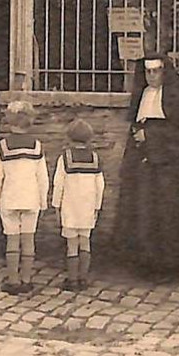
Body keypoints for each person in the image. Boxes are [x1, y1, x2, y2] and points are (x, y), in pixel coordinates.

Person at [114, 55, 179, 276]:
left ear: (165, 72)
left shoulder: (175, 96)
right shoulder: (143, 95)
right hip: (144, 166)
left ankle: (171, 265)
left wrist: (151, 136)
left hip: (169, 168)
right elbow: (135, 128)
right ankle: (145, 262)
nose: (152, 77)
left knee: (167, 213)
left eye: (156, 71)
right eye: (148, 72)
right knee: (143, 212)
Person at [0, 100, 49, 296]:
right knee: (29, 239)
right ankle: (27, 279)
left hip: (10, 198)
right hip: (31, 198)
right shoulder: (37, 147)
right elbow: (43, 177)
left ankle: (13, 280)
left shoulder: (3, 147)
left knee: (12, 239)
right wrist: (43, 200)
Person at [51, 118, 105, 291]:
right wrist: (97, 206)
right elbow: (100, 186)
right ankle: (84, 278)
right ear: (89, 138)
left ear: (68, 138)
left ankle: (72, 279)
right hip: (88, 207)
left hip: (70, 207)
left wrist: (56, 206)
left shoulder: (65, 158)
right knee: (85, 242)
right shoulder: (95, 159)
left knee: (71, 244)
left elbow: (58, 184)